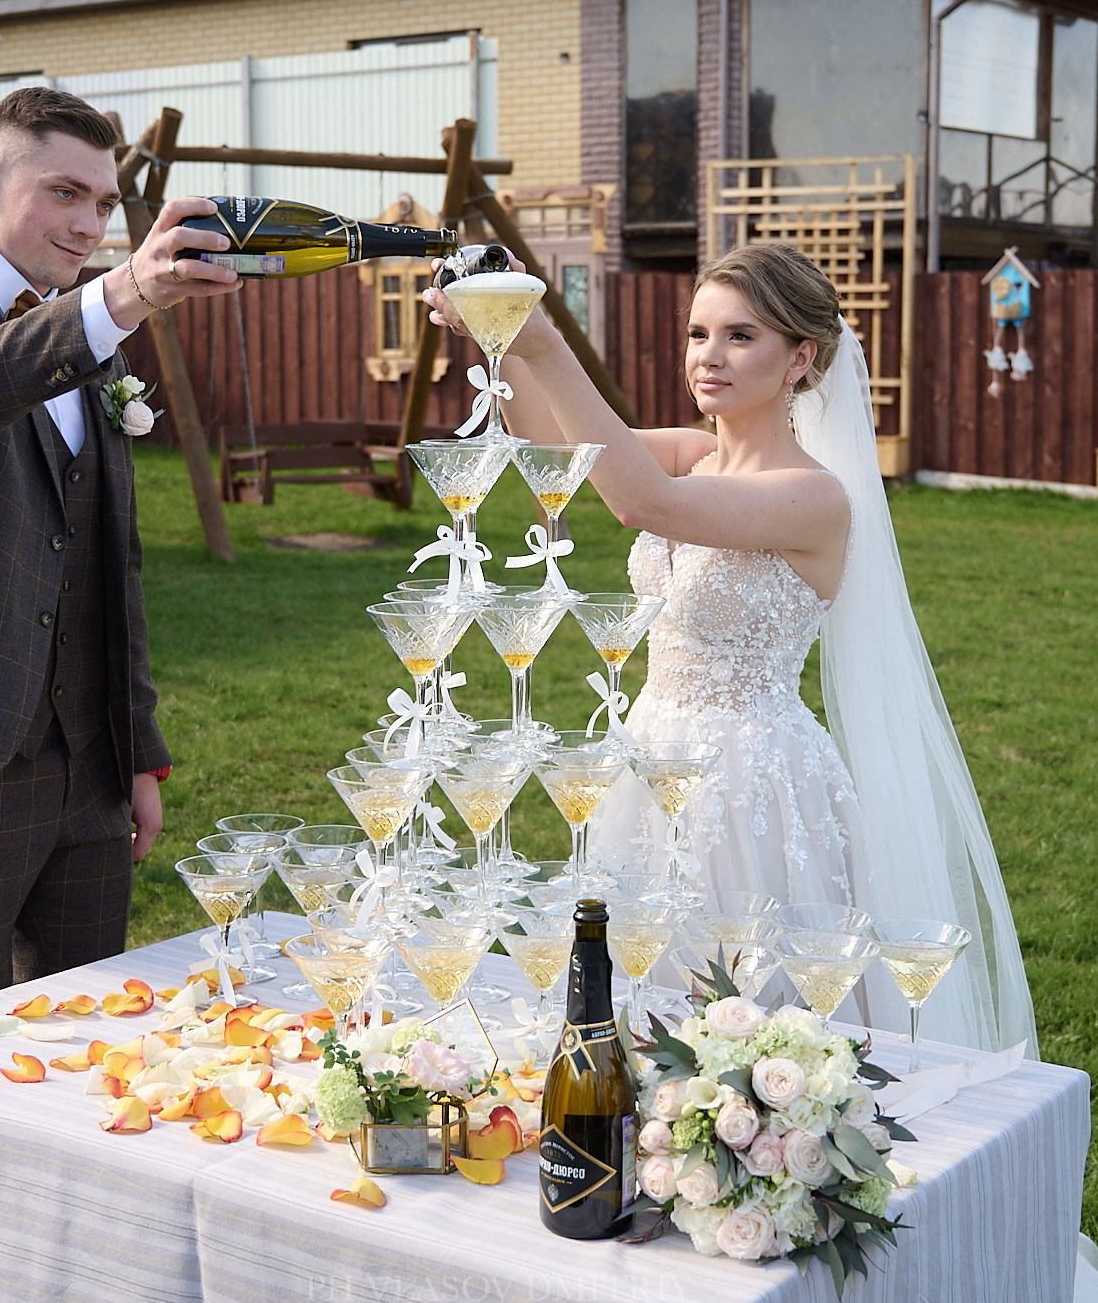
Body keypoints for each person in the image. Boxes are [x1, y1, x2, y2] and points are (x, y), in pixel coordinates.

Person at [426, 244, 1037, 1055]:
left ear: (801, 358)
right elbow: (553, 444)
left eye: (741, 336)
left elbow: (640, 501)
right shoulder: (693, 452)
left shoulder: (813, 496)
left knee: (747, 1021)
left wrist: (545, 338)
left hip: (752, 785)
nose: (708, 356)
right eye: (698, 333)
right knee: (635, 1003)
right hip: (647, 759)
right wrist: (496, 331)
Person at [0, 86, 238, 1019]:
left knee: (90, 1033)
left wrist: (137, 752)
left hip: (90, 764)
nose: (89, 226)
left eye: (103, 204)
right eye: (65, 193)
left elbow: (115, 564)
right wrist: (123, 295)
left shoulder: (92, 336)